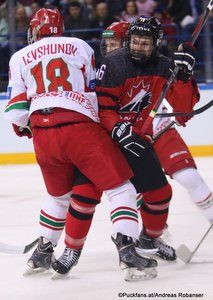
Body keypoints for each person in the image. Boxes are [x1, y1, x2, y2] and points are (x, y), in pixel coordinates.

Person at [4, 8, 157, 281]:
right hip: (80, 129)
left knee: (58, 197)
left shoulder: (18, 57)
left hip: (43, 134)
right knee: (121, 187)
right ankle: (128, 251)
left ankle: (42, 252)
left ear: (36, 30)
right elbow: (93, 90)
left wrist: (30, 127)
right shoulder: (79, 46)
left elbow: (16, 112)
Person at [95, 16, 200, 259]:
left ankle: (149, 239)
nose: (139, 47)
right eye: (135, 42)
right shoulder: (114, 63)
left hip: (137, 141)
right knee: (87, 196)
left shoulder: (164, 67)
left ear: (156, 43)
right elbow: (103, 107)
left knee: (160, 194)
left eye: (145, 43)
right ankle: (63, 248)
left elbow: (184, 112)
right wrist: (119, 129)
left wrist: (184, 77)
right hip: (105, 141)